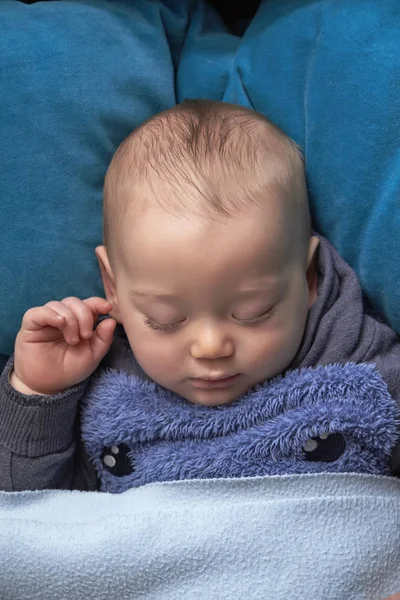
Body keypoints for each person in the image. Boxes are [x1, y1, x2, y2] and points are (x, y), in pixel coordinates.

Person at [1, 100, 399, 491]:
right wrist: (39, 392)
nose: (211, 347)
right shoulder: (100, 393)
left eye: (253, 311)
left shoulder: (364, 372)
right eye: (165, 318)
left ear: (308, 277)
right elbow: (28, 511)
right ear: (113, 288)